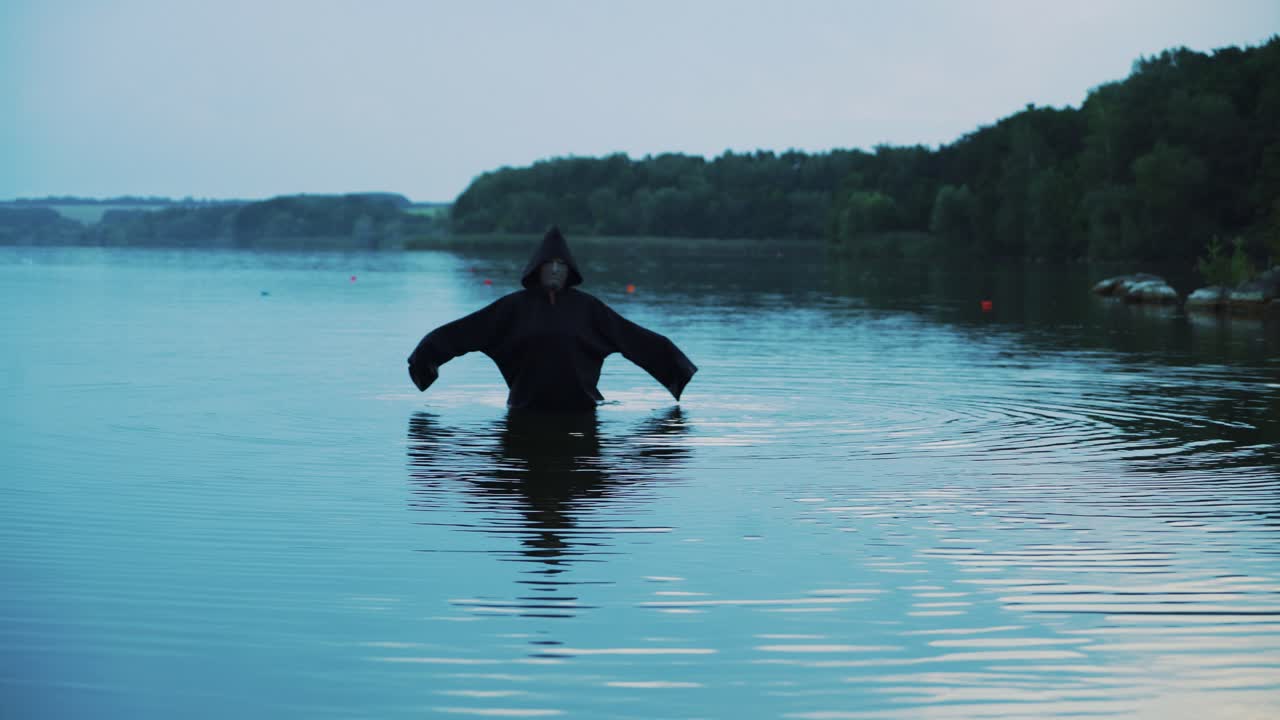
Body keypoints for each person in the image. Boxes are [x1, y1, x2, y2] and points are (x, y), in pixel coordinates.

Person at [408, 226, 697, 412]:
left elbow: (634, 338)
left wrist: (676, 367)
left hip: (582, 407)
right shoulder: (512, 308)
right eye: (550, 264)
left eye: (562, 265)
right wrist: (425, 358)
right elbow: (462, 333)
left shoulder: (588, 309)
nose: (556, 270)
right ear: (538, 268)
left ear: (570, 270)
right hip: (524, 407)